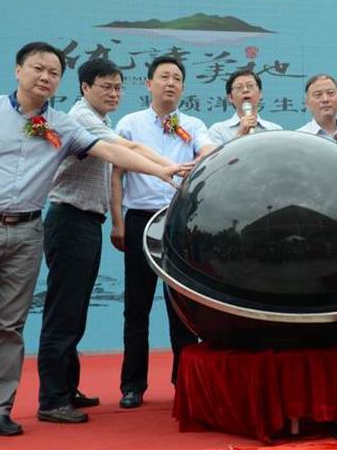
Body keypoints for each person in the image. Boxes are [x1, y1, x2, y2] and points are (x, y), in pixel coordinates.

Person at [0, 42, 190, 446]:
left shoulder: (62, 125)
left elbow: (114, 150)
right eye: (38, 68)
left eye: (53, 72)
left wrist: (163, 170)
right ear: (18, 70)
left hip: (28, 230)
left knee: (10, 327)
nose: (45, 77)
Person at [36, 58, 190, 424]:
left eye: (118, 87)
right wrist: (163, 169)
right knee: (64, 312)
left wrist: (163, 167)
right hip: (70, 219)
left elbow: (129, 148)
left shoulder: (101, 120)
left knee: (75, 311)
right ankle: (52, 399)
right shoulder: (81, 118)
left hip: (88, 221)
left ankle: (66, 388)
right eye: (106, 86)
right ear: (85, 87)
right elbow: (123, 151)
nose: (114, 93)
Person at [111, 56, 217, 409]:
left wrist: (204, 155)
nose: (170, 83)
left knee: (182, 308)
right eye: (164, 77)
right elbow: (116, 174)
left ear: (183, 88)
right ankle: (132, 385)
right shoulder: (130, 124)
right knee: (136, 307)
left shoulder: (193, 124)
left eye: (176, 78)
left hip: (178, 223)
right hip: (139, 219)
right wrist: (118, 222)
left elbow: (208, 148)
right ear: (149, 83)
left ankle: (184, 382)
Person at [208, 70, 282, 144]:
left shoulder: (275, 131)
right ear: (230, 97)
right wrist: (240, 134)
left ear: (260, 93)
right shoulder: (218, 130)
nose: (245, 90)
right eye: (239, 87)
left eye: (250, 86)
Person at [296, 74, 337, 143]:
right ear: (307, 103)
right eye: (318, 94)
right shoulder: (299, 137)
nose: (325, 99)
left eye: (330, 93)